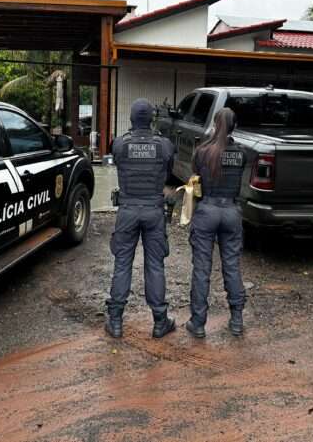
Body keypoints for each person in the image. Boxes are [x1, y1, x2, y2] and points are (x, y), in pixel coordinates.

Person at [105, 98, 176, 339]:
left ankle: (115, 322)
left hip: (127, 211)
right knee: (155, 265)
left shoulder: (119, 144)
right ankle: (159, 321)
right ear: (151, 120)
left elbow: (116, 160)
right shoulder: (164, 145)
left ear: (132, 119)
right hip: (154, 211)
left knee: (122, 263)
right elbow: (169, 169)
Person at [185, 107, 247, 338]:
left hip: (207, 211)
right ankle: (237, 320)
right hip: (231, 212)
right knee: (231, 265)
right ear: (234, 127)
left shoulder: (202, 152)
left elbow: (195, 183)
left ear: (215, 124)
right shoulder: (241, 154)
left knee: (202, 268)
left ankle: (198, 323)